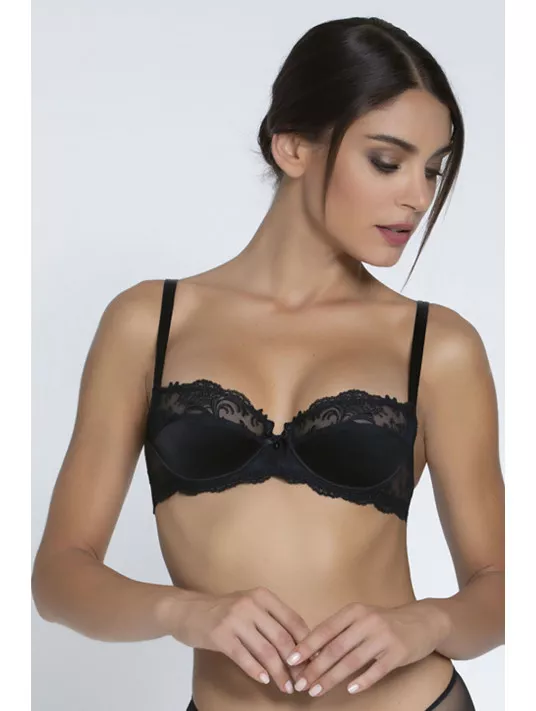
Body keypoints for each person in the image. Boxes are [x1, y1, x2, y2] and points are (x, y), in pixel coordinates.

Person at [31, 16, 504, 711]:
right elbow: (58, 578)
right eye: (387, 161)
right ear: (293, 146)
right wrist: (184, 611)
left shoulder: (437, 345)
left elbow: (502, 586)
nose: (417, 195)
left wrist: (426, 622)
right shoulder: (149, 324)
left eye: (433, 169)